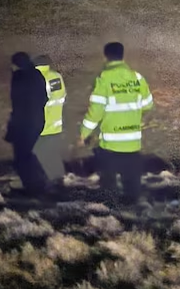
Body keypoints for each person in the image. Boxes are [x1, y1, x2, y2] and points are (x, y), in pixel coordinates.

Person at [80, 42, 153, 204]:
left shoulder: (104, 78)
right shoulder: (137, 77)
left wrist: (84, 132)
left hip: (111, 144)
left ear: (105, 57)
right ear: (122, 55)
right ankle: (133, 213)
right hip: (133, 142)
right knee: (132, 185)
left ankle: (110, 210)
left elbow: (96, 111)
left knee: (108, 184)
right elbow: (148, 104)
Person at [5, 51, 48, 195]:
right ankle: (39, 182)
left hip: (23, 123)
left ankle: (34, 186)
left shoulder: (18, 77)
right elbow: (44, 98)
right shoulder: (37, 75)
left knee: (21, 156)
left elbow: (17, 102)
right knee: (27, 153)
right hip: (37, 121)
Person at [32, 54, 66, 187]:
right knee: (53, 154)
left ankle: (46, 183)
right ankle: (58, 181)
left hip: (40, 126)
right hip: (55, 125)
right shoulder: (56, 77)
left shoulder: (35, 78)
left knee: (39, 155)